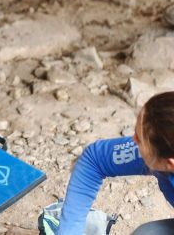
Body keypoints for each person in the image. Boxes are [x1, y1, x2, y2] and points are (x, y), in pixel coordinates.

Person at [57, 91, 174, 235]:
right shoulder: (161, 148)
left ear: (170, 164)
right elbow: (94, 160)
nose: (133, 141)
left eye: (139, 139)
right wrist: (69, 230)